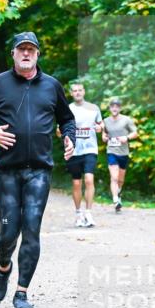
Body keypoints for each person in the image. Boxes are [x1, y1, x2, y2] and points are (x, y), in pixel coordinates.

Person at [0, 32, 76, 308]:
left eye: (31, 49)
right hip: (6, 171)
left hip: (39, 170)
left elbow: (67, 119)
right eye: (21, 49)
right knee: (8, 233)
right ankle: (4, 268)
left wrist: (70, 138)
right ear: (14, 54)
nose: (26, 53)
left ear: (38, 54)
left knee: (31, 230)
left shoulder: (52, 85)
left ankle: (22, 292)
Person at [65, 82, 103, 227]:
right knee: (76, 183)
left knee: (89, 179)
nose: (78, 93)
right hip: (74, 150)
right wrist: (63, 134)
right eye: (75, 91)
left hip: (90, 149)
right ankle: (78, 214)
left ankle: (88, 213)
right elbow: (59, 129)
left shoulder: (93, 108)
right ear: (71, 93)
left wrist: (99, 128)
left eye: (80, 90)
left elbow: (101, 124)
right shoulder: (68, 109)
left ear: (84, 92)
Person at [101, 97, 138, 212]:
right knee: (114, 177)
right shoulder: (105, 121)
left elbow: (135, 133)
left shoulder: (126, 120)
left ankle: (118, 193)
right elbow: (104, 135)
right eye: (112, 106)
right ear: (109, 108)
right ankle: (116, 200)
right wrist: (104, 137)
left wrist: (126, 138)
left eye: (117, 106)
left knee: (120, 180)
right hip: (111, 151)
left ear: (120, 108)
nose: (114, 108)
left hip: (123, 153)